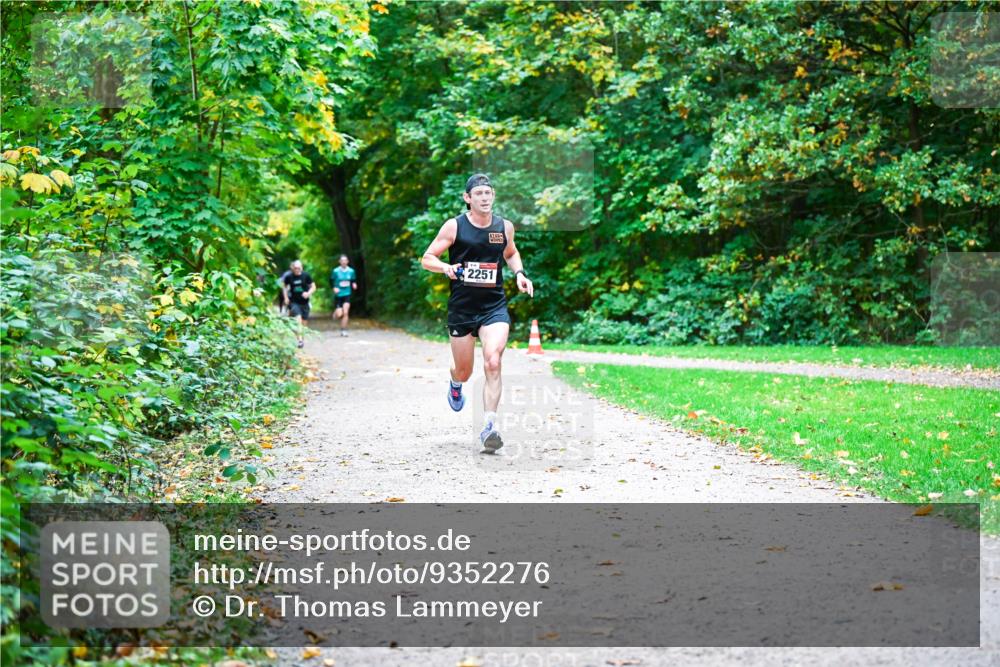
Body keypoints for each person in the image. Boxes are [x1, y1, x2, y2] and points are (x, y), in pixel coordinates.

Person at [420, 173, 535, 453]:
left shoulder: (503, 227)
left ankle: (489, 427)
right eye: (479, 193)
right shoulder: (454, 226)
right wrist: (445, 268)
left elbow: (510, 253)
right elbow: (427, 258)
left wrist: (519, 273)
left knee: (493, 361)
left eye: (489, 192)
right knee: (465, 369)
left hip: (493, 305)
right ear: (468, 198)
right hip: (462, 307)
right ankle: (456, 383)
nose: (485, 197)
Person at [282, 260, 316, 348]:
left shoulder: (306, 275)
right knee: (298, 320)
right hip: (294, 302)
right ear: (293, 268)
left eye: (299, 268)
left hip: (305, 303)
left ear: (301, 267)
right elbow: (285, 287)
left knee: (304, 323)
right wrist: (286, 298)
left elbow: (313, 287)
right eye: (295, 268)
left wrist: (308, 293)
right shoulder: (289, 277)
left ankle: (301, 338)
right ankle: (300, 340)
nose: (297, 270)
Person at [330, 254, 357, 337]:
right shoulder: (335, 271)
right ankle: (335, 313)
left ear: (347, 261)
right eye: (342, 260)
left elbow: (353, 280)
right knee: (339, 314)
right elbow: (331, 280)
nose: (344, 262)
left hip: (347, 294)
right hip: (338, 295)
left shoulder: (351, 271)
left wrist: (354, 284)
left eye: (345, 260)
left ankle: (344, 330)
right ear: (339, 262)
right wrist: (334, 287)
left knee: (345, 313)